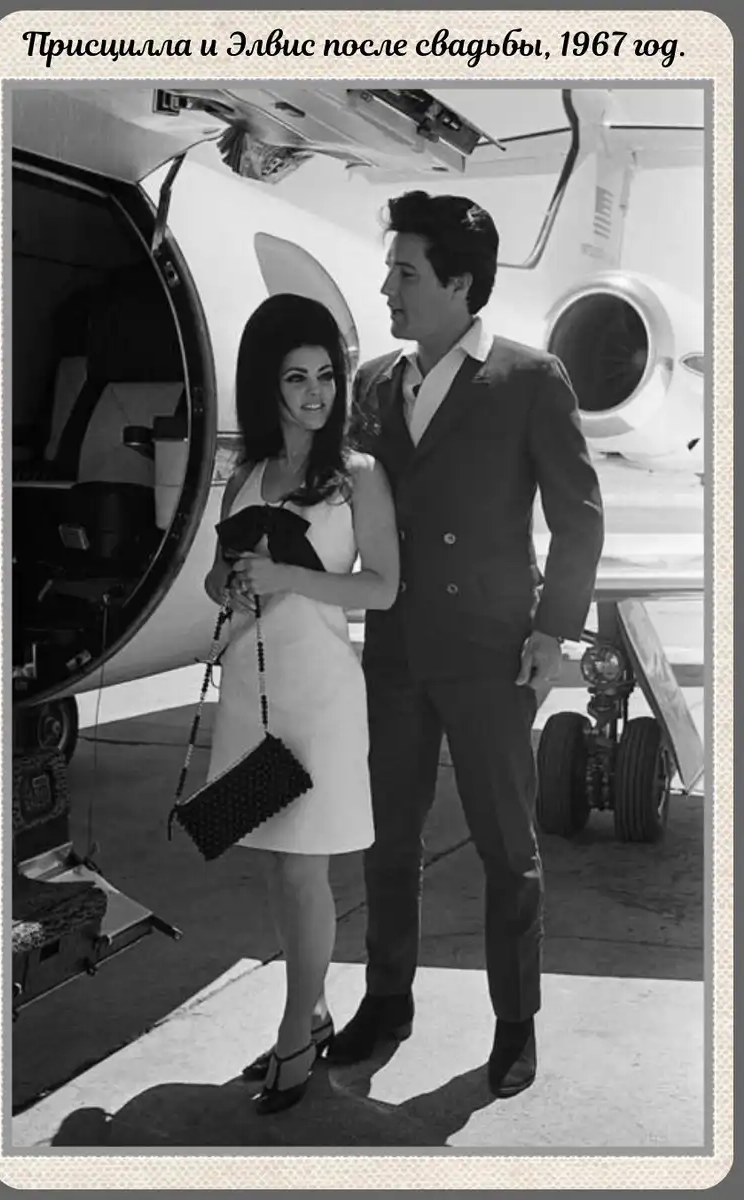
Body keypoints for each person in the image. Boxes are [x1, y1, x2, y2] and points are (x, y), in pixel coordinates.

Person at [327, 190, 605, 1098]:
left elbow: (578, 520)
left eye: (405, 274)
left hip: (491, 653)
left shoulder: (530, 378)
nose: (388, 289)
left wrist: (553, 630)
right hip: (396, 648)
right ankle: (387, 1000)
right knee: (387, 841)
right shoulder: (375, 383)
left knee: (505, 846)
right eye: (390, 271)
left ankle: (515, 1021)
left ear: (458, 283)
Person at [203, 294, 399, 1115]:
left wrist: (286, 576)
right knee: (274, 863)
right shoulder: (246, 475)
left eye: (326, 375)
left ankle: (293, 1034)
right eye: (296, 377)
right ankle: (311, 1011)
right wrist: (234, 583)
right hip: (253, 691)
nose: (316, 393)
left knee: (302, 865)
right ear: (266, 383)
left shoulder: (358, 476)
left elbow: (382, 588)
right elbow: (213, 579)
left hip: (320, 696)